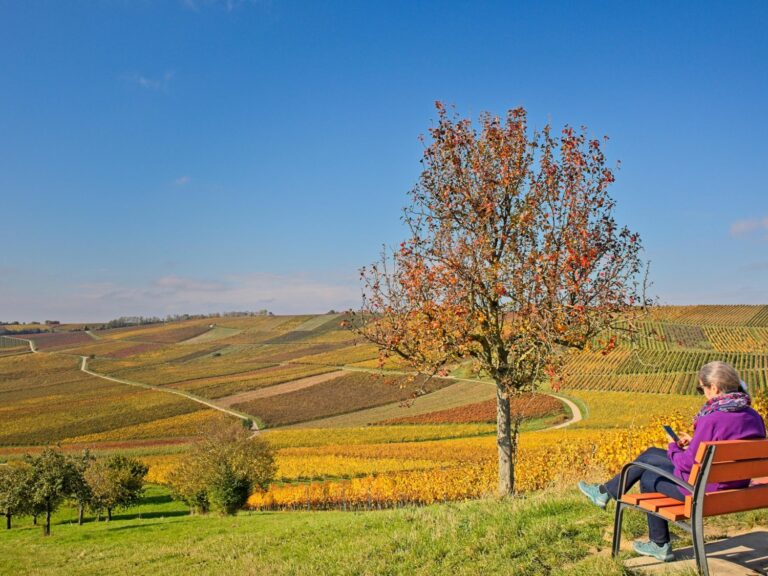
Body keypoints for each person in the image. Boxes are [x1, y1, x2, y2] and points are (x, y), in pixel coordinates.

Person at [578, 361, 766, 562]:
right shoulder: (753, 415)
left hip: (705, 491)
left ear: (715, 388)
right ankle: (606, 493)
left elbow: (687, 463)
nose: (702, 393)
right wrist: (694, 443)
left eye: (701, 388)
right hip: (736, 485)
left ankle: (657, 541)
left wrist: (673, 446)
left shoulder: (712, 418)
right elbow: (726, 444)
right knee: (650, 455)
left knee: (648, 474)